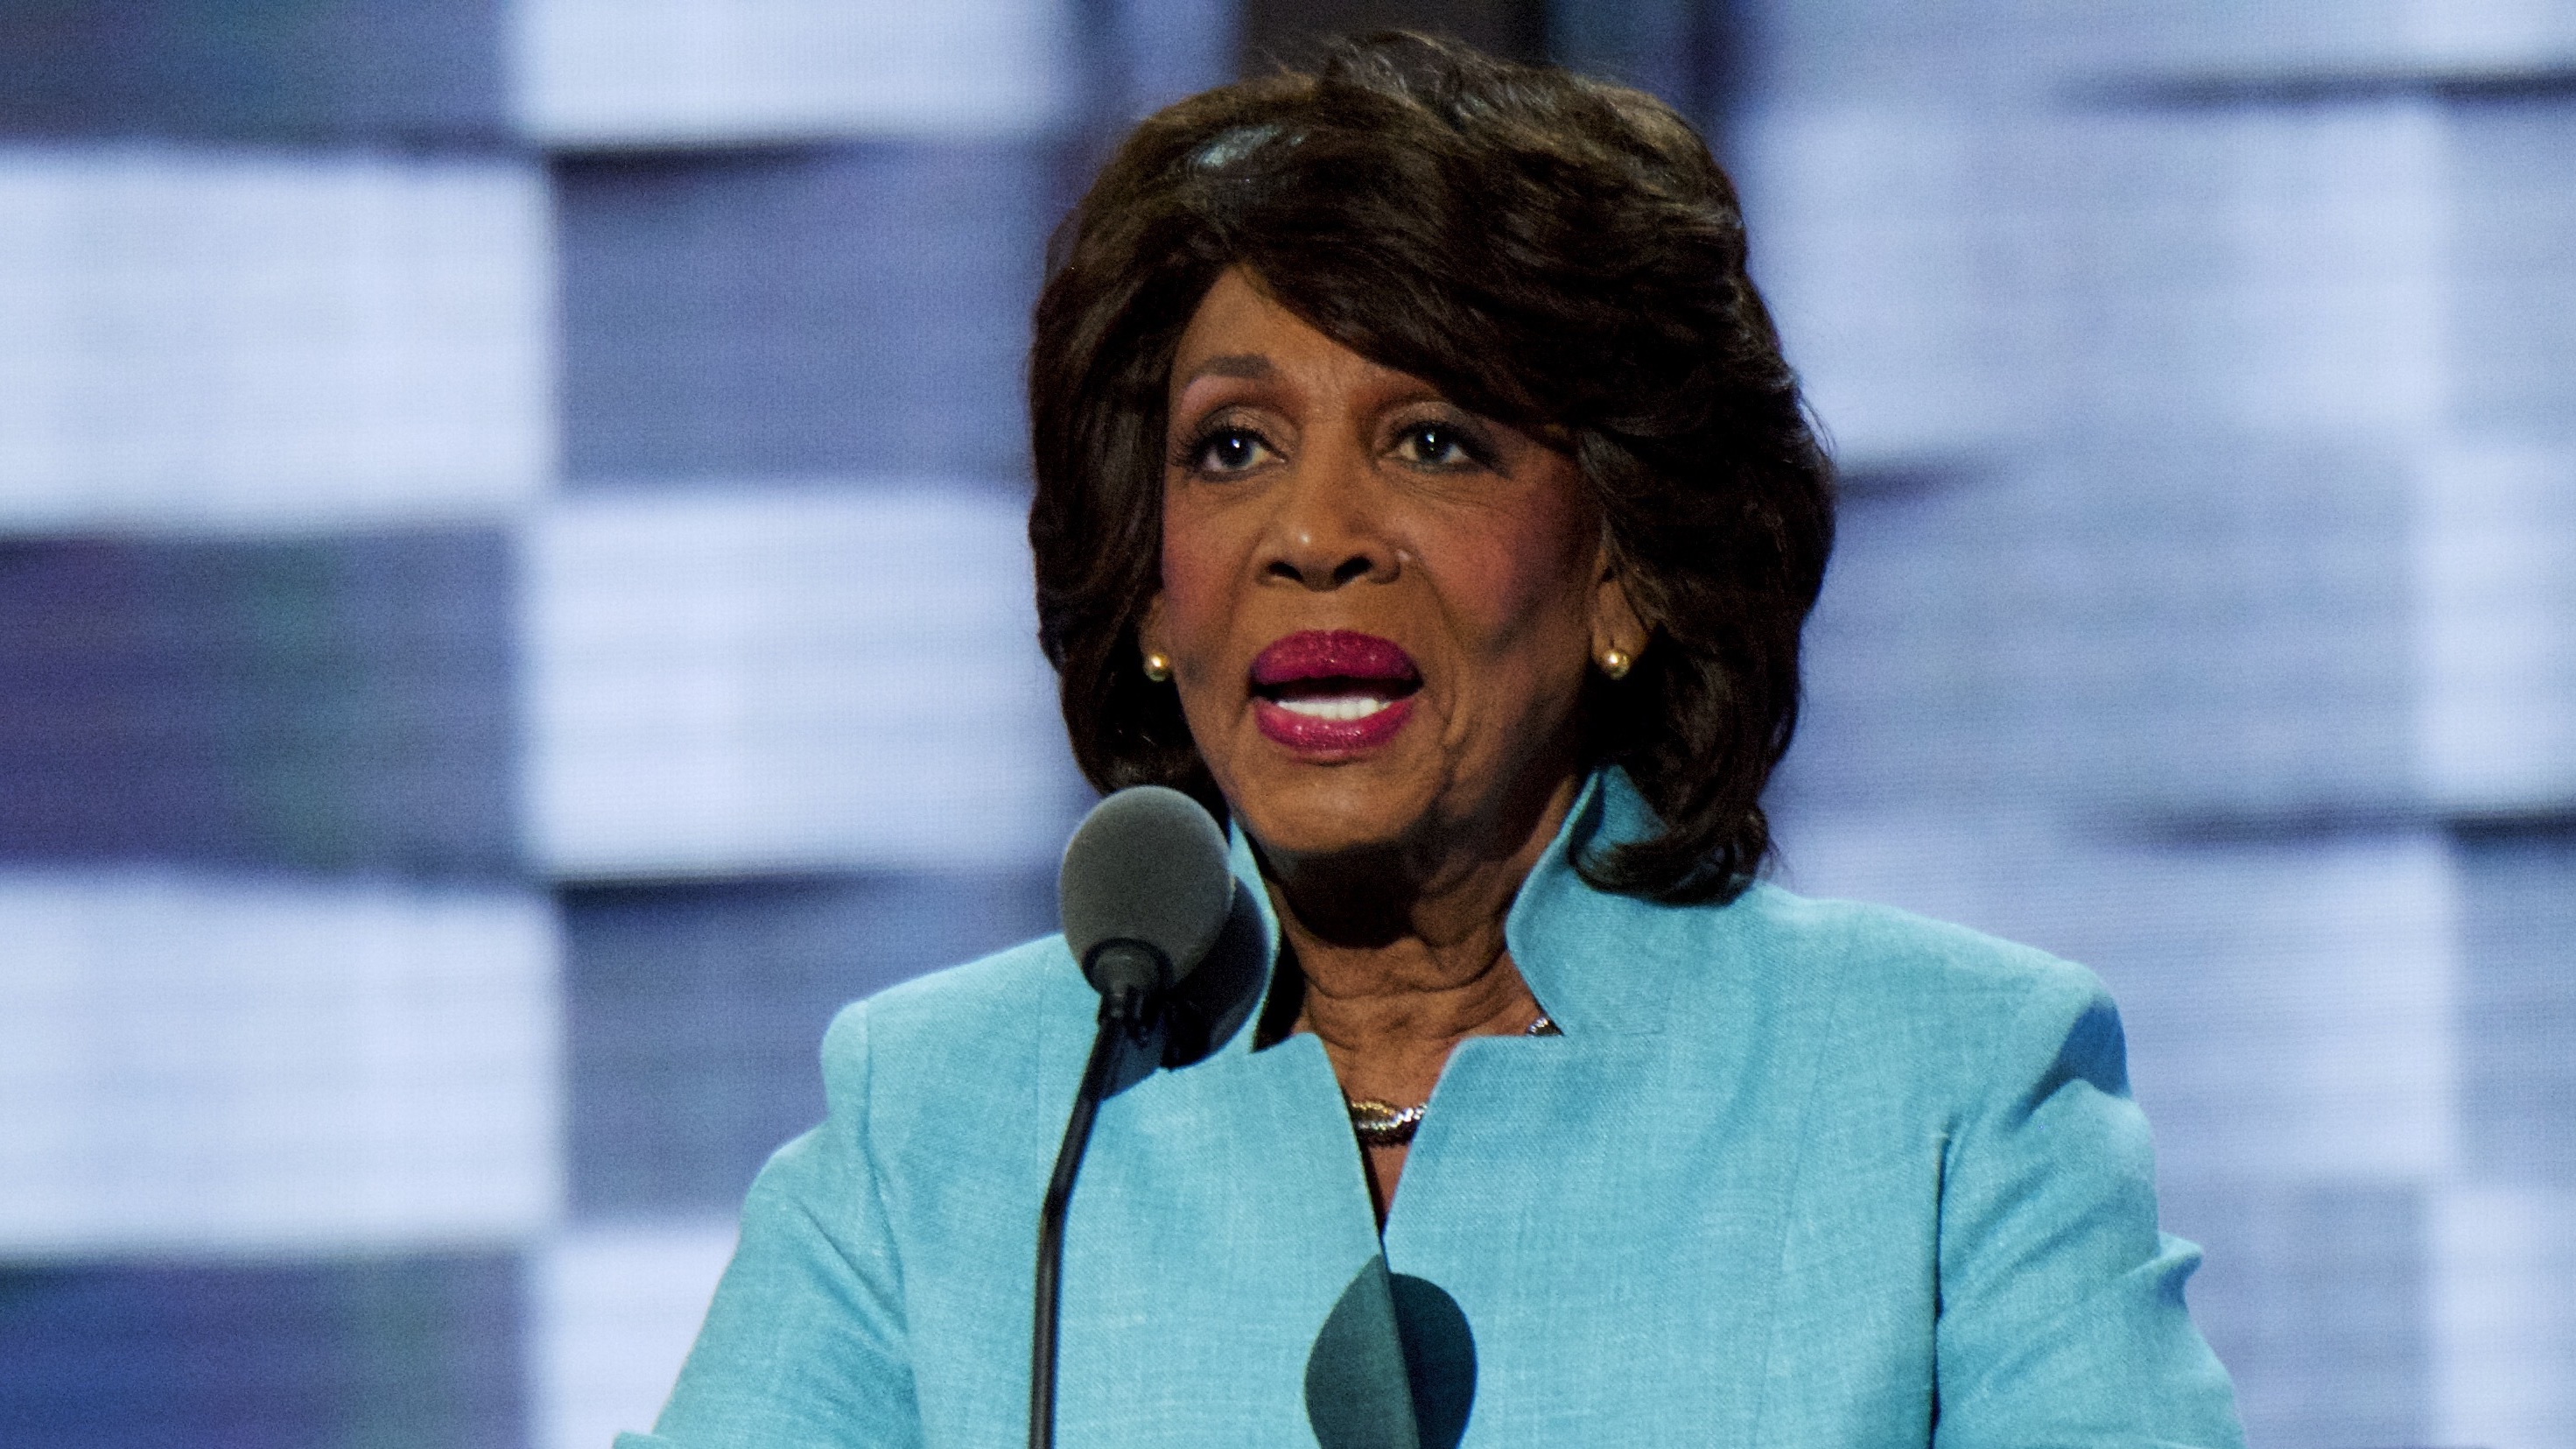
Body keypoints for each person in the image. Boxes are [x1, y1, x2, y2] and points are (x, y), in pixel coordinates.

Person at [622, 34, 2243, 1449]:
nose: (1313, 534)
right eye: (1232, 446)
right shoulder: (951, 1122)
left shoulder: (1950, 1092)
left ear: (1626, 564)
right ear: (1154, 595)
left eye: (1434, 441)